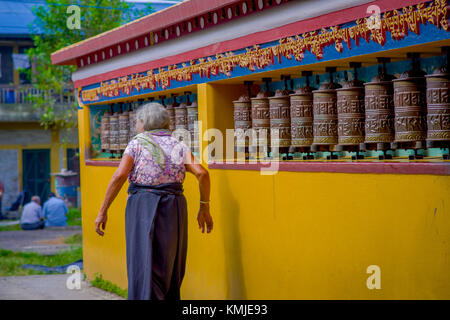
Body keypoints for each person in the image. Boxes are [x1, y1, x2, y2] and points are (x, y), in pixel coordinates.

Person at [95, 102, 213, 300]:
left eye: (138, 121)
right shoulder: (179, 144)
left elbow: (119, 176)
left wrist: (102, 211)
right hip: (175, 205)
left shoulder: (137, 143)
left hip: (143, 204)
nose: (136, 125)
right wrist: (204, 207)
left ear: (144, 122)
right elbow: (202, 173)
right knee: (168, 261)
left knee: (143, 258)